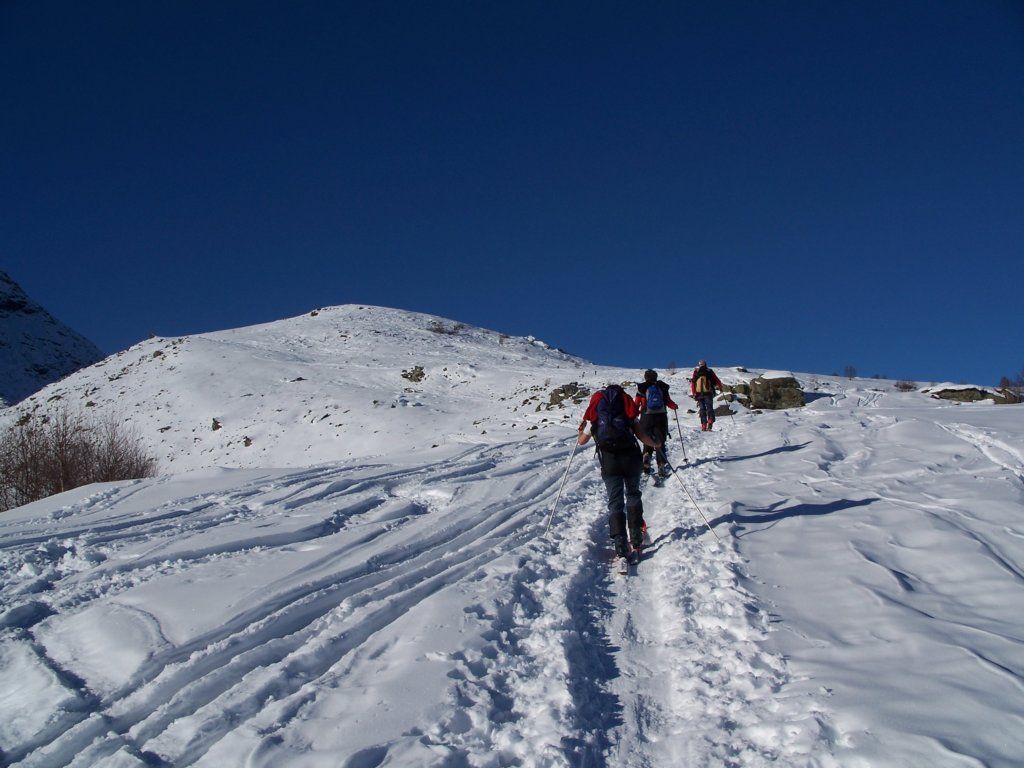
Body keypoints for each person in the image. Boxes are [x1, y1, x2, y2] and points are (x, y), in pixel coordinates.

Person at [577, 383, 658, 570]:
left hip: (609, 462)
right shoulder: (626, 408)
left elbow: (581, 441)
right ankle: (636, 539)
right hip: (630, 459)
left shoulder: (596, 413)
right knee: (633, 495)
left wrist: (581, 431)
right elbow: (641, 435)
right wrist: (655, 444)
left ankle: (620, 545)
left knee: (615, 502)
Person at [635, 369, 678, 478]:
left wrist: (634, 414)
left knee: (647, 440)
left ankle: (646, 457)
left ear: (645, 377)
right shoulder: (662, 387)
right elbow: (668, 401)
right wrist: (674, 406)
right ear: (656, 377)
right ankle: (661, 466)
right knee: (660, 441)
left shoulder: (642, 388)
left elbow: (636, 404)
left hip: (646, 417)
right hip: (661, 417)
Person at [690, 360, 724, 431]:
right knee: (709, 408)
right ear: (705, 364)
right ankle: (710, 423)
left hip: (699, 394)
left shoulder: (696, 371)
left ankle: (703, 425)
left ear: (699, 365)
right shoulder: (709, 371)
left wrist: (694, 393)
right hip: (708, 393)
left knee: (702, 409)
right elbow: (717, 380)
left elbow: (693, 383)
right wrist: (720, 387)